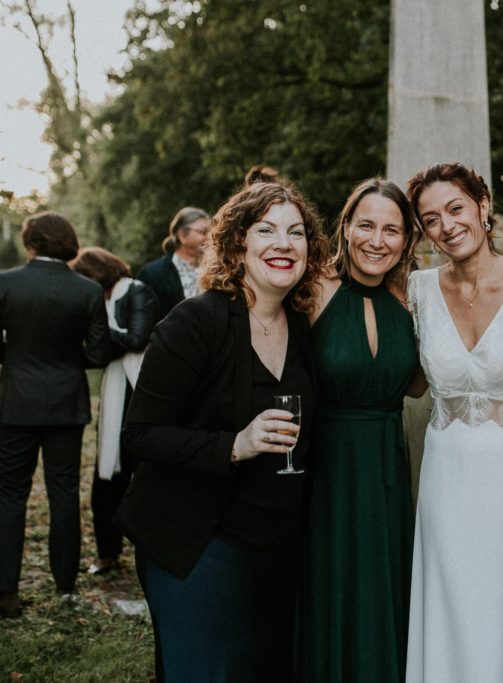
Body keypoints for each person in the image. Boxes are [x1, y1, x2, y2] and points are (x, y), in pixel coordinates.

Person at [115, 180, 330, 681]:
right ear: (237, 244)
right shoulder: (196, 322)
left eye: (296, 233)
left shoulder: (301, 327)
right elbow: (141, 434)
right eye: (267, 230)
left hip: (276, 546)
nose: (284, 243)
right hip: (198, 541)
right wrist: (236, 444)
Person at [405, 162, 503, 682]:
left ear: (483, 206)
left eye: (455, 209)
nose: (446, 226)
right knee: (451, 600)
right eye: (430, 219)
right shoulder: (418, 292)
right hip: (446, 477)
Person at [303, 178, 423, 682]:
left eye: (391, 229)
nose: (378, 240)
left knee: (382, 583)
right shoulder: (312, 292)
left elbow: (417, 385)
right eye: (366, 225)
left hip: (387, 467)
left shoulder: (412, 300)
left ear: (406, 239)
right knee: (329, 585)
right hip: (325, 469)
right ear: (346, 228)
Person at [0, 212, 110, 618]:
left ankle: (6, 594)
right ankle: (66, 587)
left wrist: (16, 359)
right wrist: (68, 362)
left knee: (11, 495)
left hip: (18, 404)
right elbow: (99, 353)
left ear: (31, 242)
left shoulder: (6, 282)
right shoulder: (87, 290)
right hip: (67, 404)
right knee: (64, 493)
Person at [71, 247, 159, 575]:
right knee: (106, 478)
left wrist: (96, 329)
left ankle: (153, 549)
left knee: (146, 475)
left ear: (97, 275)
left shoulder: (137, 292)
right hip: (114, 394)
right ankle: (107, 552)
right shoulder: (101, 300)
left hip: (143, 392)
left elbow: (137, 339)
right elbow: (96, 354)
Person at [136, 206, 211, 321]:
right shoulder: (152, 274)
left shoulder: (216, 271)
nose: (209, 237)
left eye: (211, 232)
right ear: (182, 235)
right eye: (203, 232)